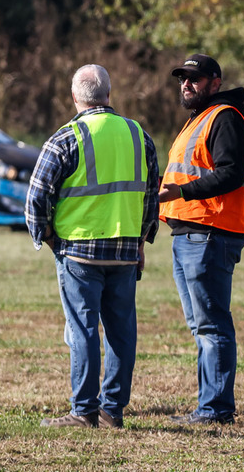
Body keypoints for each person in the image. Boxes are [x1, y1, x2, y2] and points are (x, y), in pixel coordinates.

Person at [26, 64, 160, 429]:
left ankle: (84, 410)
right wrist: (142, 240)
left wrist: (47, 237)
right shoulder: (139, 136)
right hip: (125, 250)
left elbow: (36, 198)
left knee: (83, 330)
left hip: (78, 251)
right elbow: (150, 196)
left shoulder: (65, 138)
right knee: (121, 332)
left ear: (74, 97)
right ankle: (112, 410)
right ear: (109, 94)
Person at [159, 53, 244, 425]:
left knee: (212, 324)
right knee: (202, 325)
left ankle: (215, 409)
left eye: (195, 78)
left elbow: (230, 174)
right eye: (182, 78)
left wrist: (182, 192)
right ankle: (209, 405)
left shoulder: (224, 117)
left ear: (215, 83)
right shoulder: (199, 119)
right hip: (189, 233)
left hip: (210, 234)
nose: (186, 83)